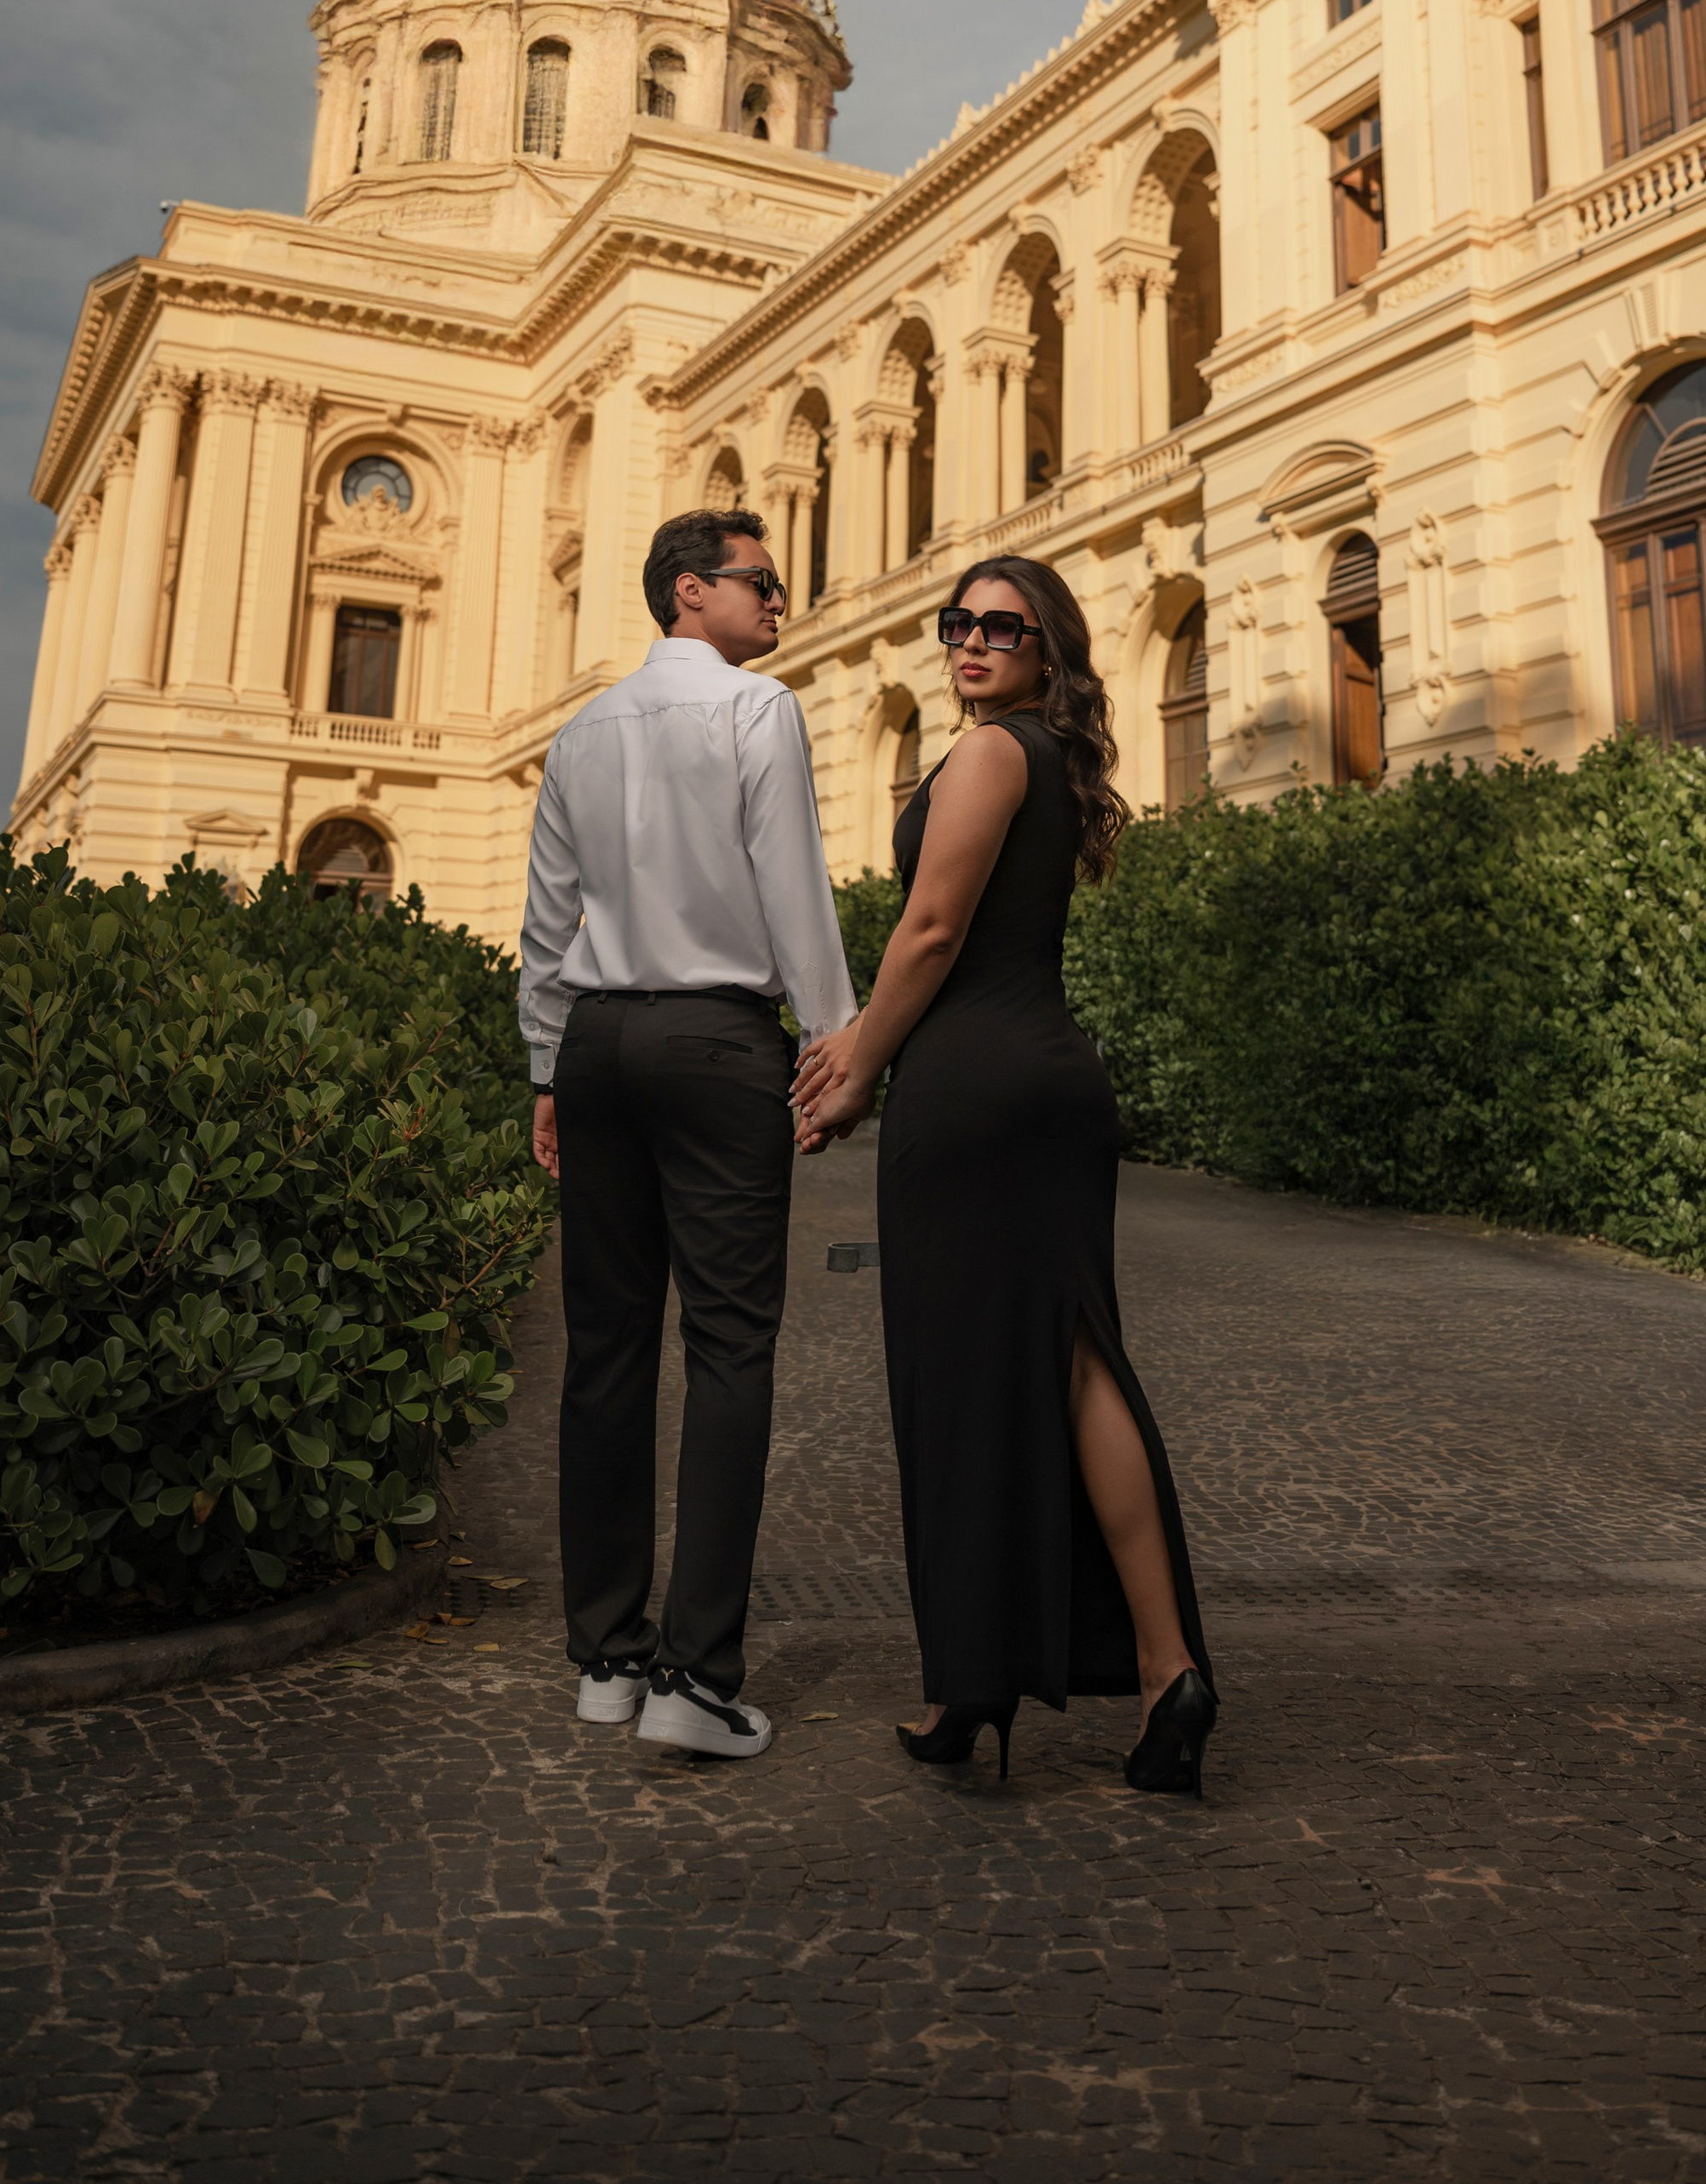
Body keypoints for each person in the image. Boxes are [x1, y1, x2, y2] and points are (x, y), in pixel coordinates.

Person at [792, 556, 1218, 1796]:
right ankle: (1164, 1670)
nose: (972, 642)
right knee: (1077, 1362)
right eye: (958, 623)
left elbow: (929, 931)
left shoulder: (986, 754)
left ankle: (971, 1679)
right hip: (1045, 1080)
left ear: (1049, 650)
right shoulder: (1050, 762)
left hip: (973, 1091)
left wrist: (859, 1062)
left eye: (1004, 627)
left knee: (963, 1385)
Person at [519, 505, 857, 1761]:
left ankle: (606, 1660)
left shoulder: (582, 730)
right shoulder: (754, 711)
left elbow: (547, 921)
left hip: (601, 1043)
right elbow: (794, 887)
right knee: (728, 1349)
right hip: (717, 1046)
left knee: (604, 1352)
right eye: (761, 583)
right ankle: (695, 1680)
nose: (781, 602)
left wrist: (548, 1068)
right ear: (686, 592)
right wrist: (834, 1044)